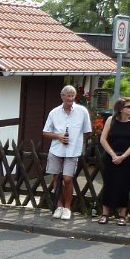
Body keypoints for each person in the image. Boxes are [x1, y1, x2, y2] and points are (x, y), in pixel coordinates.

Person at [42, 85, 92, 220]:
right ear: (62, 96)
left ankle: (67, 208)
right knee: (56, 178)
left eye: (72, 95)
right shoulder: (54, 112)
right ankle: (58, 206)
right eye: (67, 95)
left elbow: (88, 132)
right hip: (56, 149)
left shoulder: (82, 111)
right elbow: (45, 132)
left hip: (72, 151)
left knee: (68, 179)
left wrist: (76, 142)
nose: (70, 98)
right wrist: (58, 137)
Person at [98, 97, 130, 226]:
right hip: (111, 158)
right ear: (121, 109)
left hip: (126, 159)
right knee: (109, 184)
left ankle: (122, 215)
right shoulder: (111, 120)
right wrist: (113, 155)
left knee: (124, 186)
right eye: (129, 106)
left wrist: (123, 156)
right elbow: (103, 139)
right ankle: (105, 214)